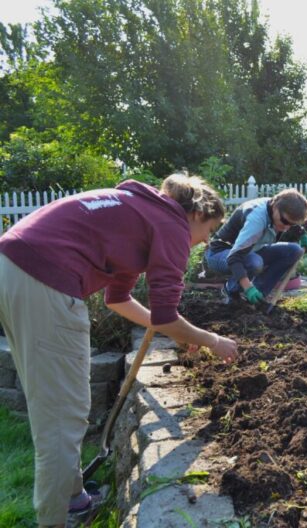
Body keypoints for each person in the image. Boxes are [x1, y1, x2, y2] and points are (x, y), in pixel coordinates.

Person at [0, 172, 239, 528]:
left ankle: (73, 497)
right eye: (208, 232)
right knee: (62, 417)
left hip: (16, 268)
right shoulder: (172, 225)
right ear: (197, 214)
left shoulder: (139, 212)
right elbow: (165, 313)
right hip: (46, 280)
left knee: (55, 404)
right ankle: (54, 520)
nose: (205, 242)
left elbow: (118, 299)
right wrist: (212, 340)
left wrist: (172, 329)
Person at [205, 188, 307, 305]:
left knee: (294, 251)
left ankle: (258, 298)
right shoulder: (256, 219)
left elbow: (290, 221)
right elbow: (234, 257)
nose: (287, 227)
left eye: (292, 224)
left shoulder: (279, 209)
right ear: (275, 207)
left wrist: (302, 234)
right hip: (220, 254)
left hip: (250, 251)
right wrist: (248, 287)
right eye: (285, 222)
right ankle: (230, 290)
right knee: (254, 262)